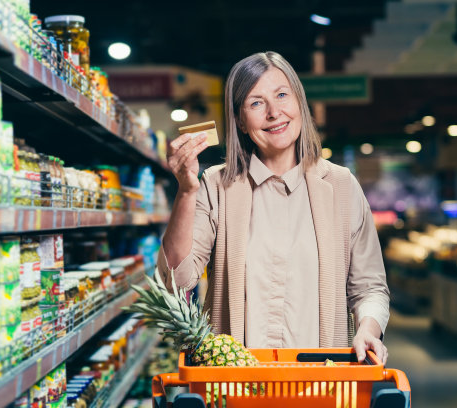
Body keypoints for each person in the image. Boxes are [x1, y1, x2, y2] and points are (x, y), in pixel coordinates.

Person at [157, 51, 390, 364]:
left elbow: (370, 288)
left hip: (322, 382)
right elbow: (175, 280)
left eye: (282, 95)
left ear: (300, 102)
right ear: (239, 119)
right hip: (236, 386)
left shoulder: (341, 186)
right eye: (256, 102)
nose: (274, 112)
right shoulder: (216, 185)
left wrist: (368, 328)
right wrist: (186, 191)